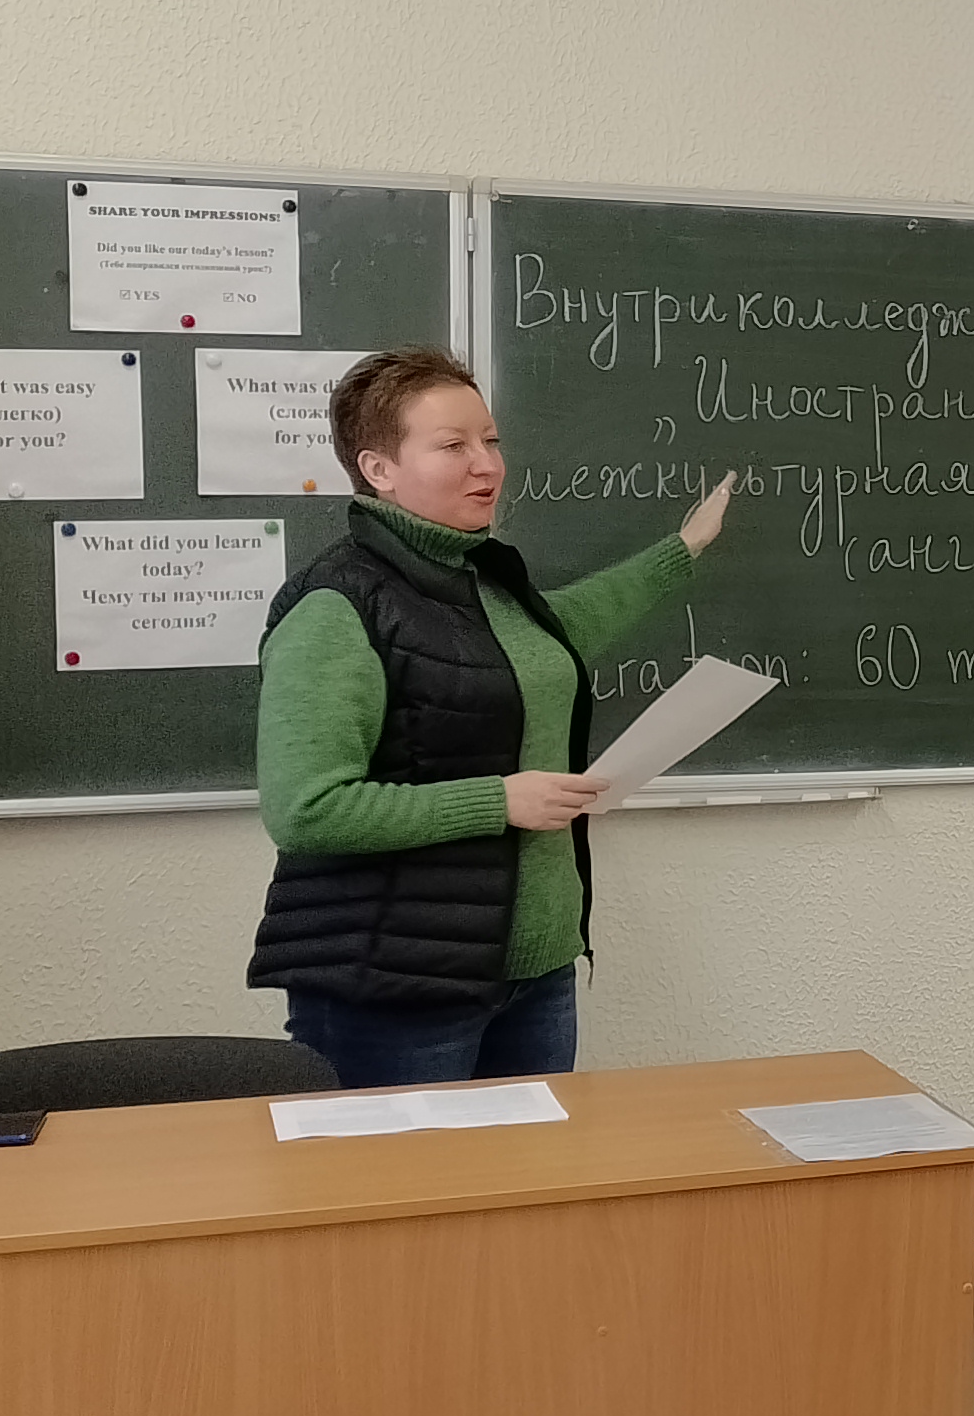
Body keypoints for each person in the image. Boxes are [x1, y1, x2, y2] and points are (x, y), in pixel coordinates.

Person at [251, 347, 733, 1085]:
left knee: (533, 1166)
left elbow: (564, 628)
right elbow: (305, 811)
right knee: (411, 1169)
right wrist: (501, 800)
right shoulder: (336, 606)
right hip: (398, 988)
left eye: (492, 440)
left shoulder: (483, 583)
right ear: (379, 468)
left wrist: (683, 550)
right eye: (454, 446)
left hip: (537, 974)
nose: (489, 466)